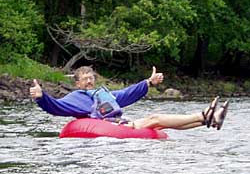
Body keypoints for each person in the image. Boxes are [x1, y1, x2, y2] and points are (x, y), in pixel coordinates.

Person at [30, 66, 229, 131]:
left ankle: (207, 119)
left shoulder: (103, 94)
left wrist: (148, 83)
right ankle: (205, 114)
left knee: (160, 125)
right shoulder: (75, 98)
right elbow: (56, 107)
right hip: (108, 128)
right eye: (85, 79)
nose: (89, 81)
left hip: (118, 124)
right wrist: (41, 97)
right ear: (78, 83)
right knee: (155, 118)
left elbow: (126, 94)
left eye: (91, 78)